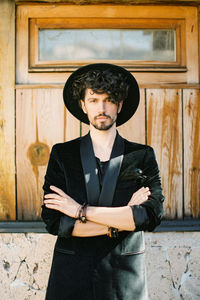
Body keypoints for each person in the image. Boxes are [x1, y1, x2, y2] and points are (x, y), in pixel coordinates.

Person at [42, 63, 164, 300]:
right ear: (83, 105)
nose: (102, 107)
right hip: (71, 275)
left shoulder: (142, 155)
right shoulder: (62, 155)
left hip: (124, 277)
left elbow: (149, 216)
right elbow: (54, 221)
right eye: (94, 99)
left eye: (109, 99)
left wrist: (79, 211)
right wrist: (123, 218)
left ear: (119, 105)